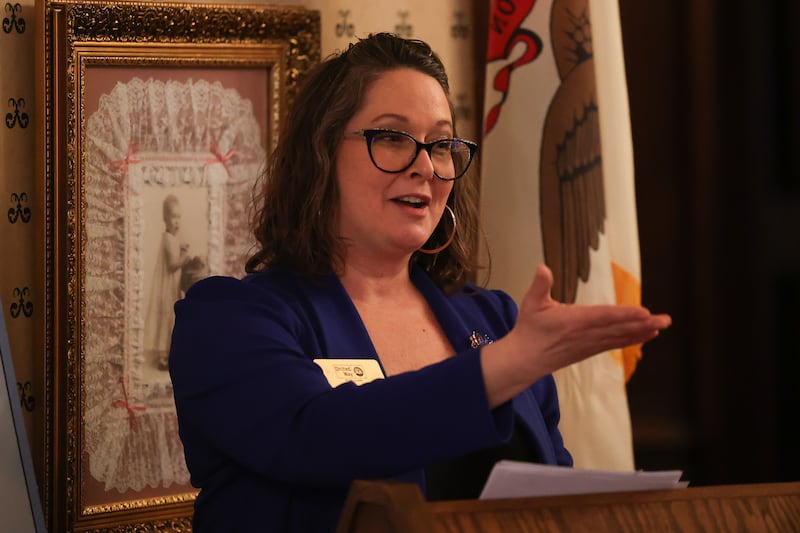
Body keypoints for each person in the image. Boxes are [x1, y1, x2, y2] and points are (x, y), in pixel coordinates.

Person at [169, 32, 671, 532]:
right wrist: (502, 368)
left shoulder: (496, 320)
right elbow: (319, 436)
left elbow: (550, 502)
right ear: (320, 154)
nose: (426, 166)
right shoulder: (226, 320)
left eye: (442, 144)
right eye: (391, 137)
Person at [145, 193, 190, 371]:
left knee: (171, 319)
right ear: (165, 218)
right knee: (167, 318)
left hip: (172, 285)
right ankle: (164, 357)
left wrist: (182, 249)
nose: (177, 221)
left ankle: (169, 354)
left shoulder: (171, 238)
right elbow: (172, 265)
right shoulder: (167, 239)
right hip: (167, 287)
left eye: (179, 217)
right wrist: (185, 257)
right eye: (173, 217)